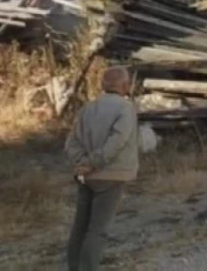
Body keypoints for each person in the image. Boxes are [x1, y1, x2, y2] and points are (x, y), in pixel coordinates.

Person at [65, 66, 139, 271]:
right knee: (98, 229)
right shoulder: (126, 108)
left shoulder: (88, 108)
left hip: (85, 176)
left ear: (103, 85)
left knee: (80, 227)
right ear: (125, 85)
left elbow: (71, 141)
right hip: (111, 175)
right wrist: (93, 162)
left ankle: (74, 267)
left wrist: (82, 163)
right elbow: (118, 141)